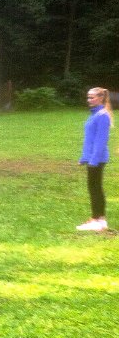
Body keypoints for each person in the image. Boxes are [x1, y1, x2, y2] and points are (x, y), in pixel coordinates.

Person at [76, 87, 113, 232]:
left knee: (95, 188)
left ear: (101, 98)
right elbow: (89, 139)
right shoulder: (94, 114)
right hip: (92, 158)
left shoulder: (102, 115)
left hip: (97, 159)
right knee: (94, 187)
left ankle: (97, 220)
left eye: (92, 97)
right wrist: (84, 158)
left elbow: (100, 141)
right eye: (88, 97)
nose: (89, 100)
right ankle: (98, 219)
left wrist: (94, 160)